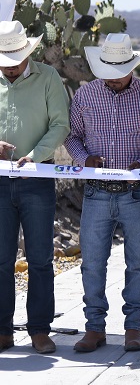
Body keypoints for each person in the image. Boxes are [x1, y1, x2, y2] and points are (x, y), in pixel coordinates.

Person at [65, 34, 140, 352]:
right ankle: (94, 328)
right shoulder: (85, 96)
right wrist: (85, 160)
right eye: (109, 71)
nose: (115, 77)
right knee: (92, 263)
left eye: (121, 71)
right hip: (95, 192)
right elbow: (72, 138)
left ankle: (133, 327)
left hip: (136, 192)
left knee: (137, 262)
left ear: (132, 67)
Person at [0, 20, 70, 354]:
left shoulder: (49, 78)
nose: (9, 70)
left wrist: (35, 157)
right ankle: (2, 331)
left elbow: (60, 124)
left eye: (14, 63)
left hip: (37, 181)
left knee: (41, 258)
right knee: (0, 260)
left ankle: (40, 330)